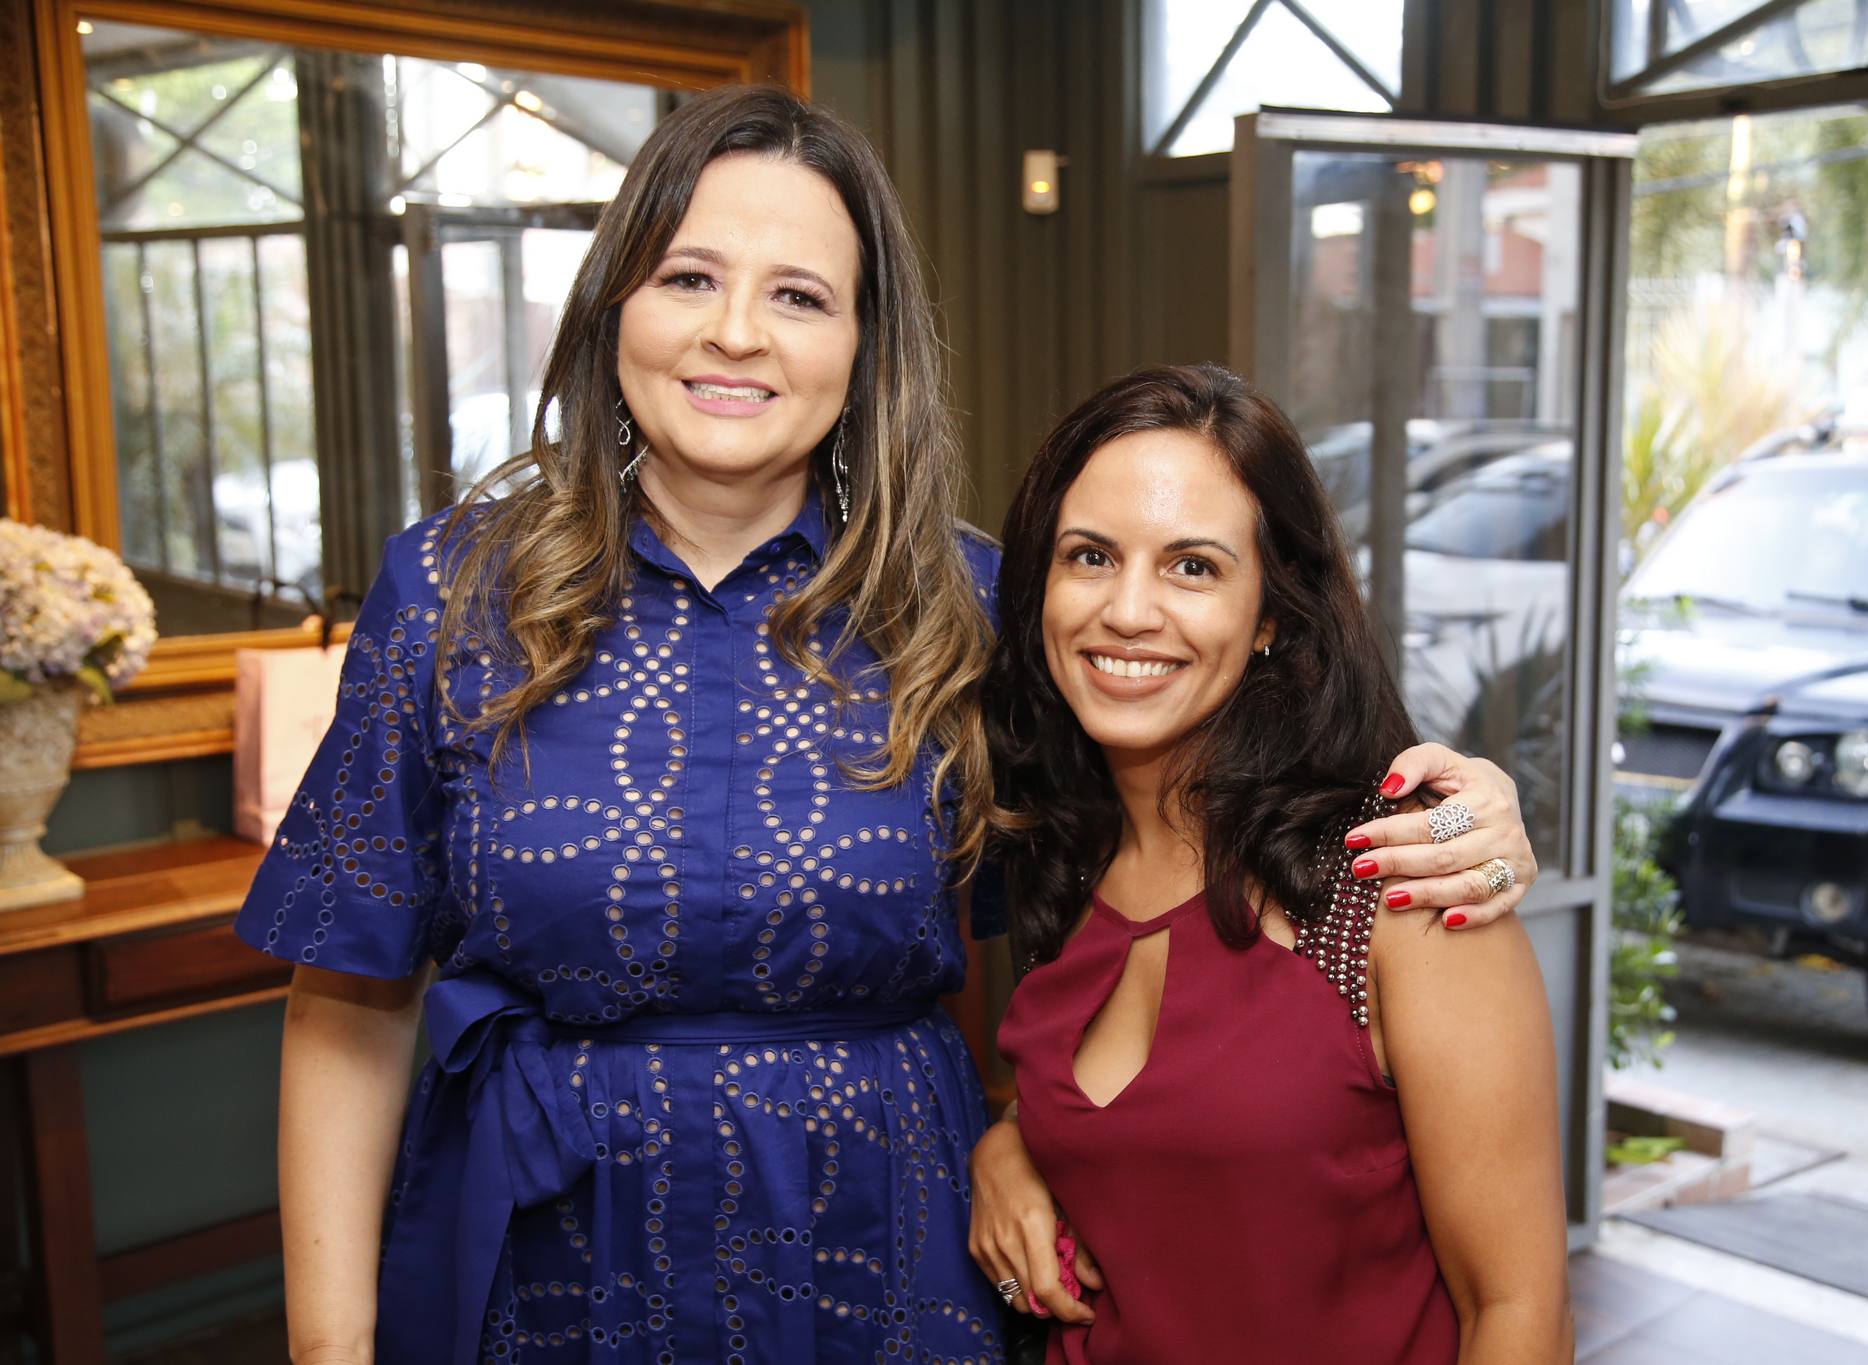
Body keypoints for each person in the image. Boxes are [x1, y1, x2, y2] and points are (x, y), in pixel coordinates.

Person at [235, 85, 1540, 1364]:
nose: (734, 333)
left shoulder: (973, 607)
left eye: (798, 296)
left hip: (877, 1262)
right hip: (545, 1264)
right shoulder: (451, 593)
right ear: (612, 303)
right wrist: (330, 1341)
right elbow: (348, 997)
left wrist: (1468, 812)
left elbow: (1156, 847)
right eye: (688, 277)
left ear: (865, 345)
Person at [972, 364, 1571, 1363]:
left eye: (1192, 567)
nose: (1127, 609)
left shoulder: (1397, 879)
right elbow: (1157, 1153)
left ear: (1271, 616)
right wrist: (1006, 1148)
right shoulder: (1056, 860)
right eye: (1090, 556)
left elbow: (1518, 1312)